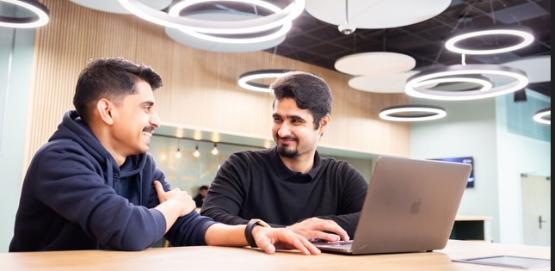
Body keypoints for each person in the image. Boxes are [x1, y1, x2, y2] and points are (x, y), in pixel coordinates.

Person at [9, 58, 319, 255]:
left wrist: (255, 232)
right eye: (147, 107)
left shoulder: (140, 163)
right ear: (107, 110)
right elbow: (129, 231)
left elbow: (188, 227)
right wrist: (173, 205)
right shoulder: (59, 159)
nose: (156, 119)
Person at [202, 72, 368, 243]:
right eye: (277, 119)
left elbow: (376, 219)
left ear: (323, 124)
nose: (282, 131)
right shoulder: (242, 166)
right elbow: (210, 219)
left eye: (295, 121)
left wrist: (314, 227)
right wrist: (287, 232)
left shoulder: (341, 175)